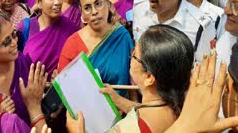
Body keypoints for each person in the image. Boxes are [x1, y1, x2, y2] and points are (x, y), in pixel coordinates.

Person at [67, 48, 238, 133]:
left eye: (134, 55)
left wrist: (38, 114)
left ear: (149, 77)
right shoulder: (180, 110)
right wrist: (122, 102)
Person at [67, 24, 193, 132]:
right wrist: (119, 101)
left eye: (134, 55)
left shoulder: (128, 129)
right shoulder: (186, 112)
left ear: (149, 77)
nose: (130, 56)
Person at [58, 0, 133, 95]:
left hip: (121, 111)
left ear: (108, 3)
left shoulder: (122, 37)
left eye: (98, 4)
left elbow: (132, 84)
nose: (94, 12)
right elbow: (65, 92)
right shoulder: (72, 44)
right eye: (87, 7)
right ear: (81, 11)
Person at [18, 0, 78, 75]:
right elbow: (18, 65)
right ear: (38, 2)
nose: (57, 2)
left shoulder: (70, 29)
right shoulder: (26, 27)